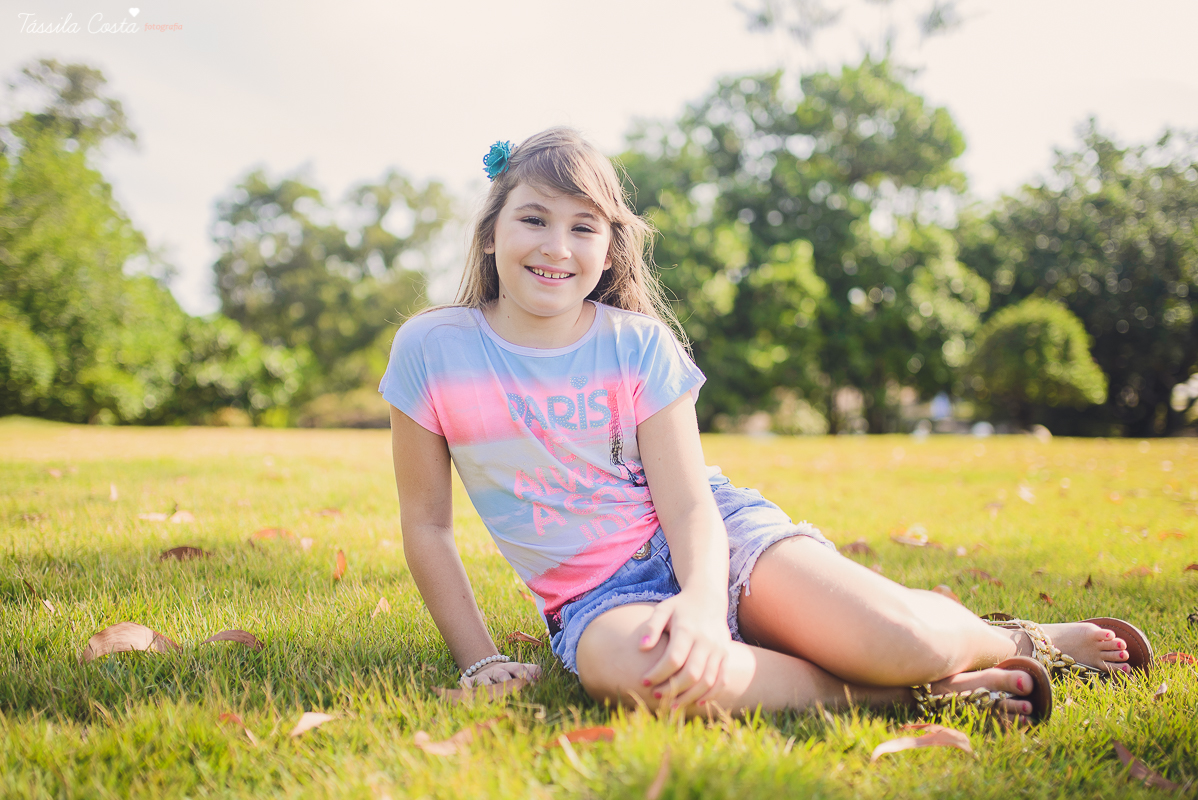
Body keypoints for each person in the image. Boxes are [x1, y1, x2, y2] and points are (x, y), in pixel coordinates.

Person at [379, 128, 1152, 723]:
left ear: (610, 250)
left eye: (584, 227)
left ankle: (1015, 640)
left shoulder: (636, 343)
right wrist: (480, 660)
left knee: (900, 641)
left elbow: (688, 506)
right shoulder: (432, 349)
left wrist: (702, 602)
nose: (556, 247)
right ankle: (907, 697)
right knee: (648, 676)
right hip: (596, 598)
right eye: (534, 218)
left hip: (718, 536)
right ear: (491, 231)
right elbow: (428, 526)